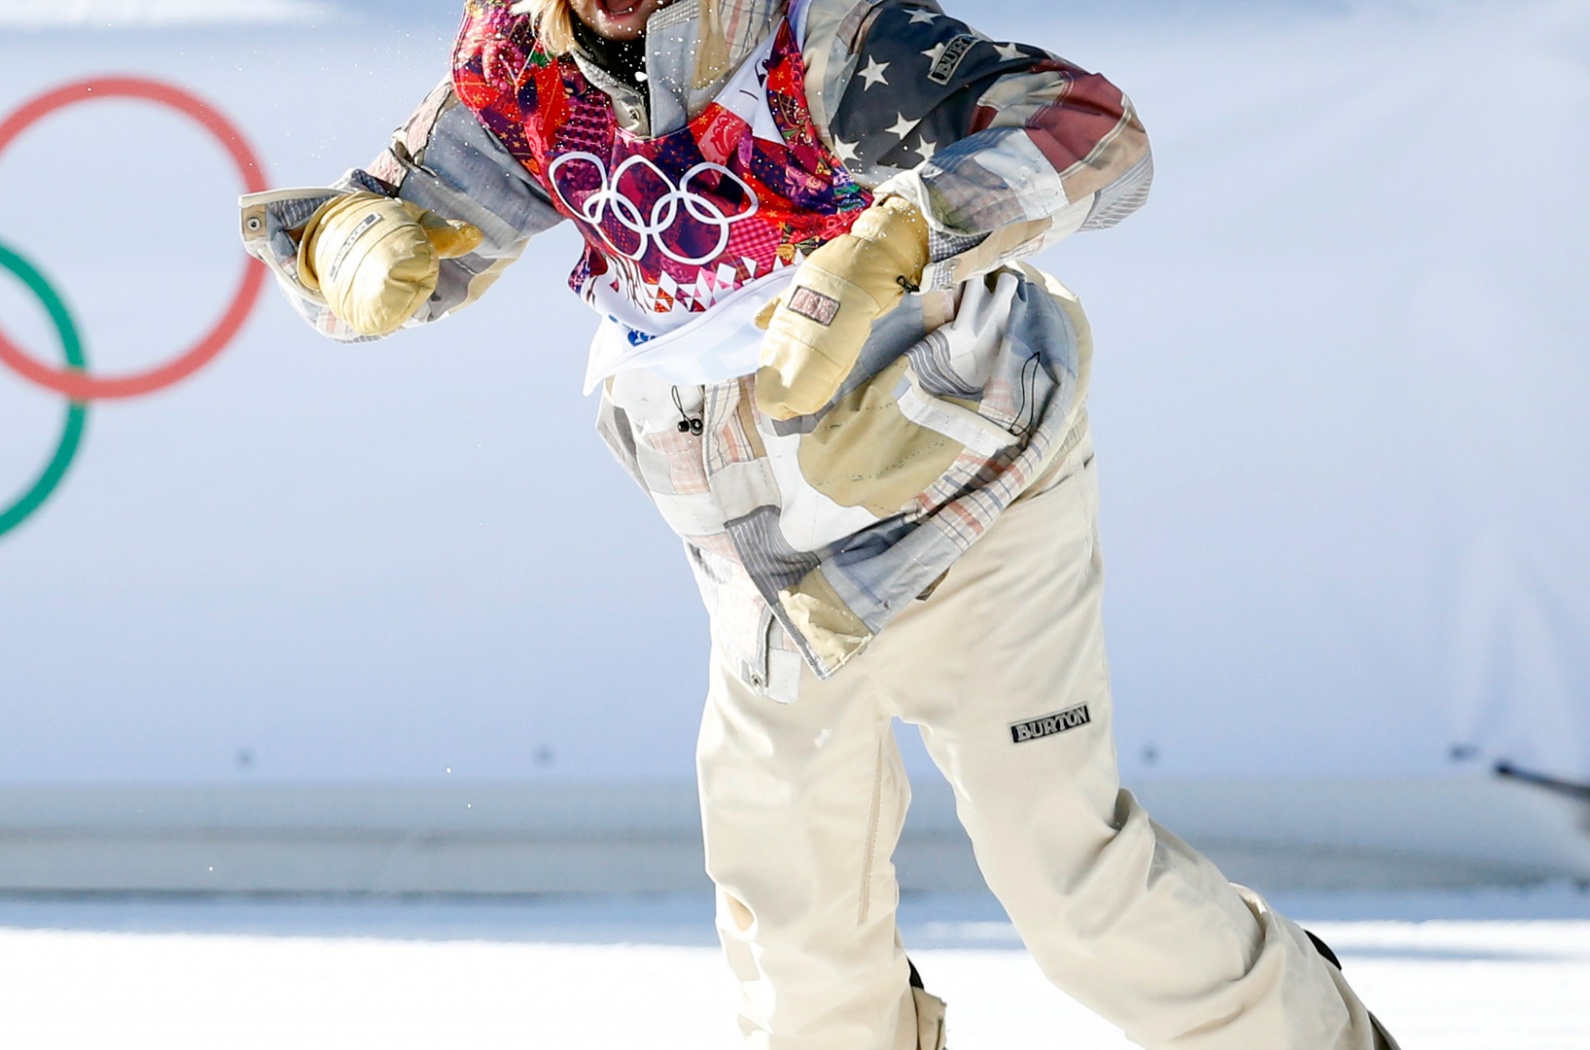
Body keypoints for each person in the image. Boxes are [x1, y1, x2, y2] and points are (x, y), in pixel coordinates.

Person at [237, 1, 1398, 1047]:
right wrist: (345, 251)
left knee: (1070, 882)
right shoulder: (522, 64)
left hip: (976, 510)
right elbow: (399, 234)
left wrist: (899, 236)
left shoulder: (818, 41)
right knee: (790, 919)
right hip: (772, 561)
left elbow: (1092, 130)